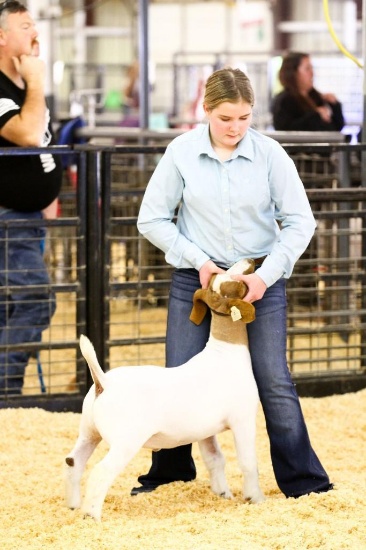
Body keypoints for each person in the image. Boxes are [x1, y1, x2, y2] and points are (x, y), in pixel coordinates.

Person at [132, 67, 334, 499]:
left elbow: (301, 221)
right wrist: (198, 260)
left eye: (244, 118)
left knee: (273, 379)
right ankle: (170, 474)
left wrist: (264, 276)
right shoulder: (181, 152)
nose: (235, 128)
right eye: (226, 118)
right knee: (180, 372)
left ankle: (306, 484)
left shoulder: (270, 154)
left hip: (258, 280)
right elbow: (150, 218)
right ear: (205, 110)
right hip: (197, 281)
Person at [0, 1, 62, 395]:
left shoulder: (23, 88)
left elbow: (41, 144)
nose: (35, 34)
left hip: (27, 216)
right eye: (25, 27)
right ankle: (4, 390)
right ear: (2, 38)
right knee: (37, 300)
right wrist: (37, 81)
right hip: (8, 217)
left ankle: (9, 394)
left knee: (10, 307)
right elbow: (24, 134)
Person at [271, 51, 344, 132]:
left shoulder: (315, 96)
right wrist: (316, 116)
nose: (312, 73)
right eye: (307, 69)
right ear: (293, 72)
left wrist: (335, 105)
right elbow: (284, 129)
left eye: (312, 68)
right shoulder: (284, 101)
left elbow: (335, 128)